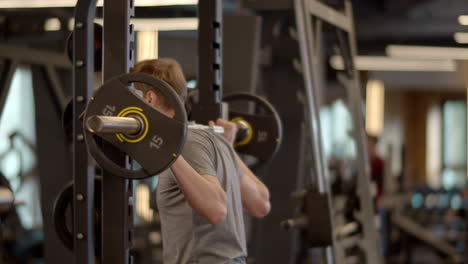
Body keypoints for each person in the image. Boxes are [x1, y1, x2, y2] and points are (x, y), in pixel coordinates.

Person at [131, 58, 271, 264]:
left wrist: (168, 152)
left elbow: (216, 210)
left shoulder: (184, 143)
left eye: (132, 98)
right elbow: (261, 203)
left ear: (149, 98)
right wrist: (230, 151)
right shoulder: (212, 138)